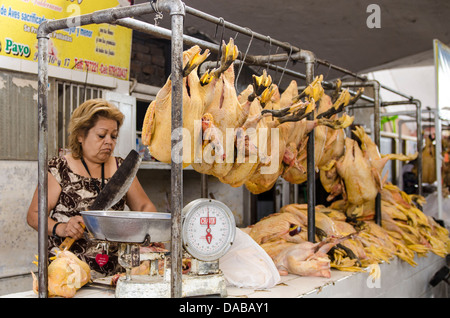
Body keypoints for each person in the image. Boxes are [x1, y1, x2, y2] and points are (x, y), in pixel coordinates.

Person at [27, 98, 157, 278]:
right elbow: (34, 215)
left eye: (113, 136)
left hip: (114, 276)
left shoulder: (122, 170)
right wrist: (61, 228)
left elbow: (144, 207)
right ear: (80, 135)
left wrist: (149, 233)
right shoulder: (58, 169)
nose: (109, 142)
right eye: (101, 135)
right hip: (69, 275)